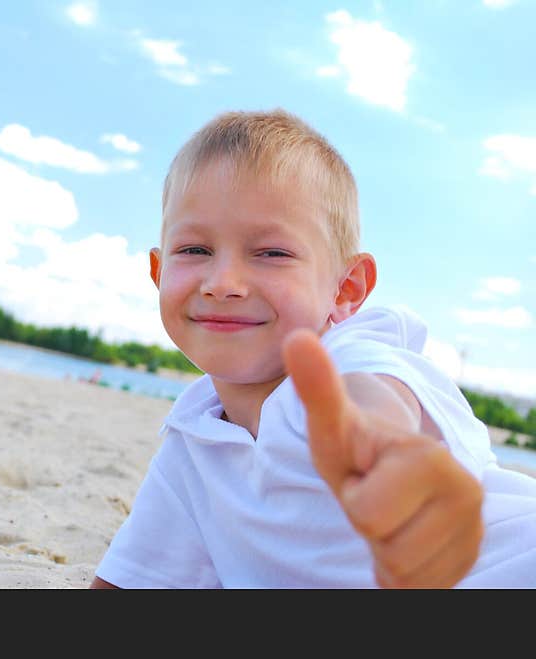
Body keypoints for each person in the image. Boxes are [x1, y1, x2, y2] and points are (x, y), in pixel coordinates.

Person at [91, 109, 536, 588]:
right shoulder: (191, 442)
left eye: (271, 253)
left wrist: (382, 449)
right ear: (158, 274)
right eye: (194, 250)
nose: (223, 283)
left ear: (345, 289)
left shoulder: (347, 361)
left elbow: (373, 397)